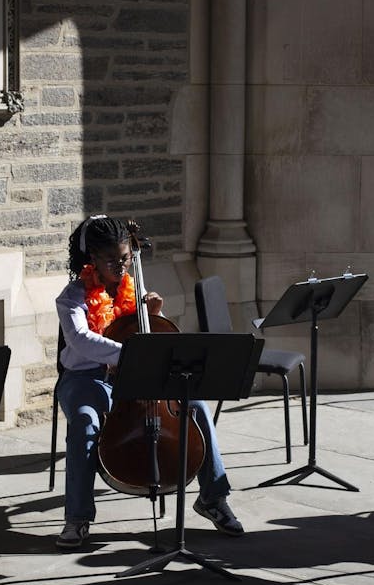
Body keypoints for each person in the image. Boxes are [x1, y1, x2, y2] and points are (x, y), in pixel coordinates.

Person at [53, 215, 244, 549]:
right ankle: (77, 518)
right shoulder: (71, 298)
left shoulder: (133, 287)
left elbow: (151, 335)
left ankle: (213, 498)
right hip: (85, 377)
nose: (121, 266)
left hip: (135, 374)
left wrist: (155, 314)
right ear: (91, 260)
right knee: (84, 421)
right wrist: (131, 354)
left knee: (195, 405)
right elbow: (81, 340)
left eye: (125, 258)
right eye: (111, 260)